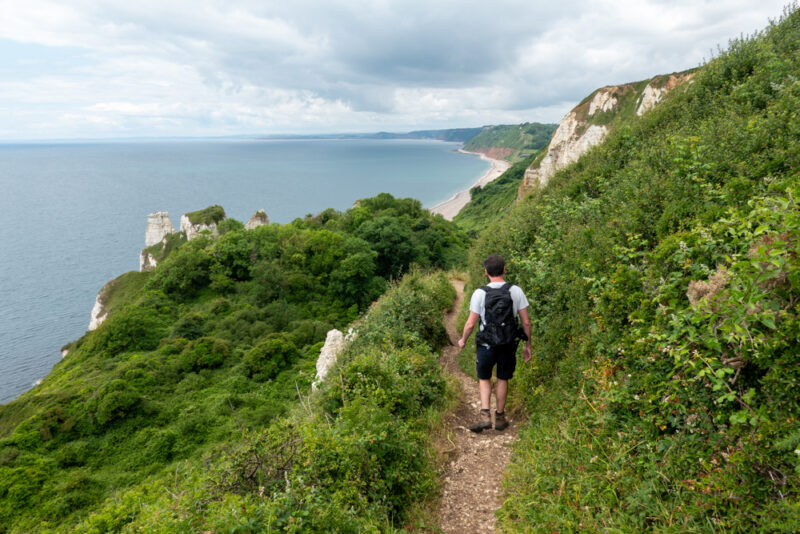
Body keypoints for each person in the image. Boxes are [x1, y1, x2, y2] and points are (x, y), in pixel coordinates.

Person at [457, 254, 531, 432]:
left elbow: (470, 323)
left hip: (486, 344)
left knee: (484, 378)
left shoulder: (480, 293)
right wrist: (528, 346)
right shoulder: (516, 291)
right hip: (507, 343)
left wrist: (463, 340)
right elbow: (526, 322)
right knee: (503, 378)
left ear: (486, 272)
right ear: (504, 269)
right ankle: (500, 417)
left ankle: (484, 415)